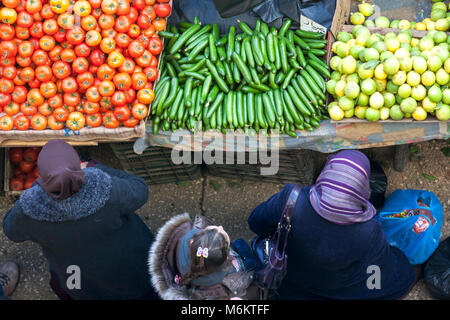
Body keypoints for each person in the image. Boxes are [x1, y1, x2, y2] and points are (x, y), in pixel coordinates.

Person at [248, 150, 417, 300]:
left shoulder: (292, 199)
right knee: (402, 272)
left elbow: (256, 223)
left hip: (289, 281)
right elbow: (376, 268)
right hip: (339, 289)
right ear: (363, 187)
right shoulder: (368, 230)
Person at [2, 139, 158, 300]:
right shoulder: (105, 188)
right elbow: (140, 189)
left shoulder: (30, 208)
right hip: (131, 268)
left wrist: (35, 189)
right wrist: (95, 167)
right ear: (78, 167)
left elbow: (11, 230)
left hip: (79, 280)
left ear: (42, 176)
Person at [148, 213, 260, 300]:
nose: (220, 226)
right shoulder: (226, 282)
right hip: (241, 270)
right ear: (226, 258)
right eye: (225, 241)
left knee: (241, 244)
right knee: (244, 248)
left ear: (192, 241)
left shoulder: (185, 241)